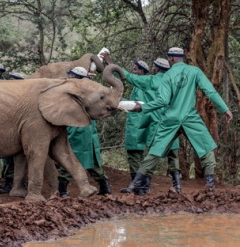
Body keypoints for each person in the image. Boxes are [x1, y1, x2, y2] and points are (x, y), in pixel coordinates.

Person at [124, 47, 233, 194]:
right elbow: (210, 91)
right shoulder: (195, 71)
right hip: (190, 117)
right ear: (182, 57)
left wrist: (142, 108)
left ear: (171, 59)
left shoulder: (167, 76)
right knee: (207, 148)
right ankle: (210, 186)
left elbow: (162, 101)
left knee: (155, 152)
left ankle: (134, 185)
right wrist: (225, 109)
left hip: (171, 119)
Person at [103, 52, 182, 194]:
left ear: (155, 69)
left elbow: (127, 77)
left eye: (136, 69)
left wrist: (110, 63)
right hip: (171, 122)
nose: (134, 70)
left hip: (145, 121)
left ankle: (139, 187)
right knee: (171, 154)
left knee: (140, 154)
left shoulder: (148, 81)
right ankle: (176, 186)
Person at [57, 66, 112, 197]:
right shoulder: (90, 92)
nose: (69, 77)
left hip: (78, 129)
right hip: (85, 129)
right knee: (91, 160)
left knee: (70, 159)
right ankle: (105, 187)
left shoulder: (77, 93)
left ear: (77, 78)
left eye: (72, 75)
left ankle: (62, 190)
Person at [0, 71, 25, 194]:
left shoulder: (23, 97)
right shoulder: (5, 96)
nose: (10, 82)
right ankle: (8, 184)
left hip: (20, 135)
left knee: (20, 162)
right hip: (7, 134)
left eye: (13, 80)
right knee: (8, 162)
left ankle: (19, 185)